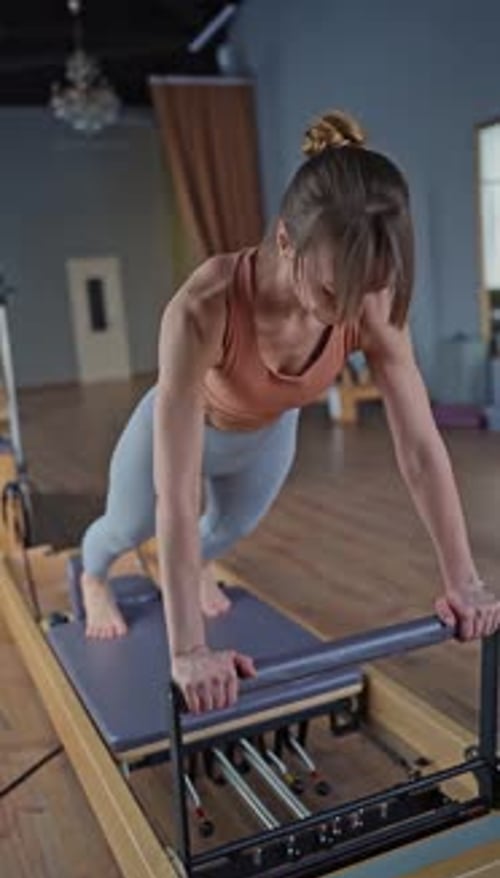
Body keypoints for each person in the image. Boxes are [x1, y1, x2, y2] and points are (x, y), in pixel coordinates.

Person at [80, 110, 500, 714]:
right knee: (126, 528)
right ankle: (93, 578)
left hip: (267, 432)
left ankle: (197, 567)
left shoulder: (370, 301)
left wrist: (464, 579)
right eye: (333, 293)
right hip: (184, 425)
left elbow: (420, 447)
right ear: (285, 242)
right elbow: (174, 493)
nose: (347, 311)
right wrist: (189, 649)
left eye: (365, 290)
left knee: (225, 533)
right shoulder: (204, 306)